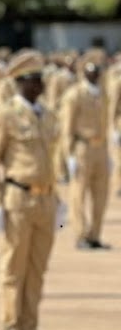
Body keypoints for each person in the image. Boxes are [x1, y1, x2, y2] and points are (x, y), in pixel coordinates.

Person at [0, 51, 64, 330]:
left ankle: (30, 328)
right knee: (14, 268)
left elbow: (53, 159)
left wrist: (59, 198)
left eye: (41, 79)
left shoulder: (49, 115)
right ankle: (12, 328)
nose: (41, 84)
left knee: (37, 269)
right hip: (17, 197)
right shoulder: (4, 115)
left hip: (46, 199)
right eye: (35, 79)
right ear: (21, 83)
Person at [59, 51, 111, 249]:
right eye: (91, 70)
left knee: (100, 194)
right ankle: (81, 235)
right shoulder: (75, 95)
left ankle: (95, 234)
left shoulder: (102, 94)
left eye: (98, 71)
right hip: (82, 147)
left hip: (100, 147)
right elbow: (67, 129)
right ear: (84, 72)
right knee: (78, 194)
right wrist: (68, 155)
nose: (96, 74)